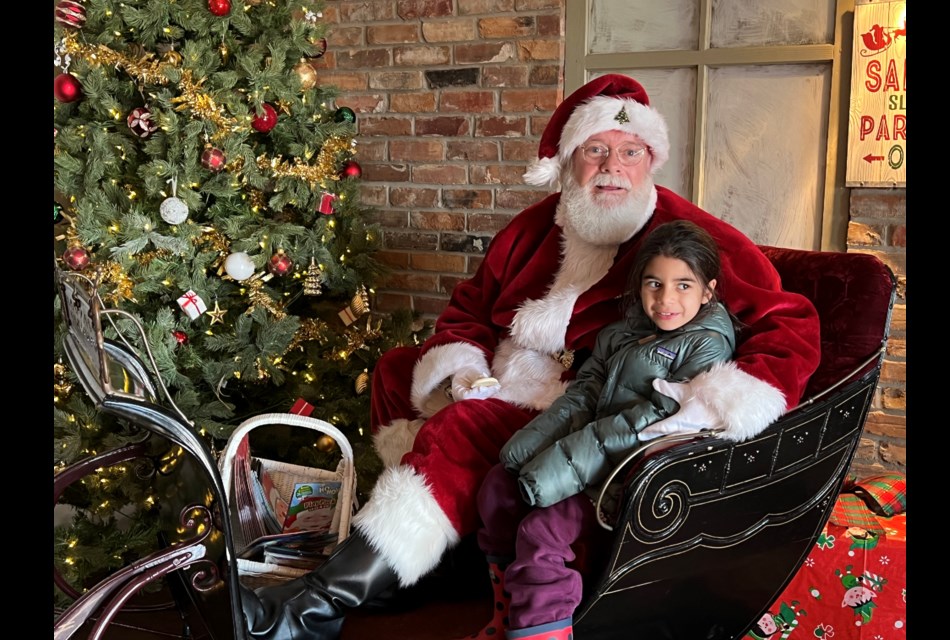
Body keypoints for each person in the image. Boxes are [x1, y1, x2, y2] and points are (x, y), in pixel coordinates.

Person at [241, 73, 821, 640]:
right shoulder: (529, 231)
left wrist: (711, 403)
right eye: (595, 149)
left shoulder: (686, 237)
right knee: (399, 370)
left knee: (465, 429)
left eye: (630, 151)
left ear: (651, 160)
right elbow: (468, 311)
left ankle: (317, 606)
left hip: (590, 406)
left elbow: (788, 324)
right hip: (501, 384)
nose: (612, 166)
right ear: (568, 161)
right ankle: (419, 563)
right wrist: (465, 369)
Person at [461, 220, 736, 640]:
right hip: (588, 456)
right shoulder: (621, 333)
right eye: (654, 284)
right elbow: (582, 395)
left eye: (683, 285)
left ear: (708, 290)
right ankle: (505, 616)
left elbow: (647, 422)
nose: (666, 299)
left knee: (542, 530)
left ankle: (541, 631)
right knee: (497, 487)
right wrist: (530, 447)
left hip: (628, 473)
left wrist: (558, 466)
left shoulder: (705, 345)